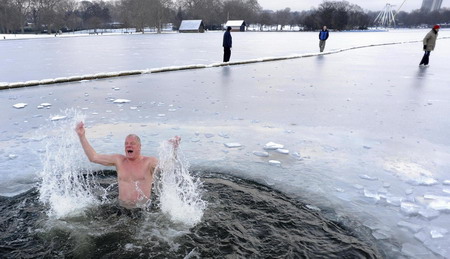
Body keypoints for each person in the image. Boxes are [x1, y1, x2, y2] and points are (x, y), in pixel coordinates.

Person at [75, 121, 180, 208]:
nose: (128, 146)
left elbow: (169, 167)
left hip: (142, 211)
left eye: (132, 144)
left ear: (139, 147)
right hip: (121, 209)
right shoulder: (119, 160)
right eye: (126, 144)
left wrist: (174, 149)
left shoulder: (149, 162)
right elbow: (93, 157)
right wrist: (82, 136)